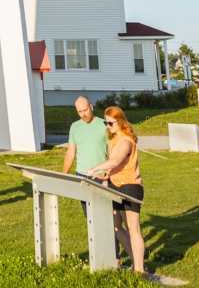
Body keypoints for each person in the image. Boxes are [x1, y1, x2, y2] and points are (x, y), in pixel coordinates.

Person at [83, 106, 146, 274]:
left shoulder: (126, 140)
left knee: (133, 229)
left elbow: (117, 161)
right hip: (115, 187)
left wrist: (95, 168)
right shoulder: (114, 140)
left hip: (129, 187)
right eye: (106, 123)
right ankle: (137, 262)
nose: (108, 126)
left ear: (120, 121)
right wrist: (103, 177)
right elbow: (112, 167)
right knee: (116, 227)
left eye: (111, 123)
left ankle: (139, 269)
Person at [62, 96, 120, 263]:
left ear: (92, 107)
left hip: (100, 177)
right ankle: (99, 255)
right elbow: (70, 153)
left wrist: (106, 175)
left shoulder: (104, 125)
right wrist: (64, 174)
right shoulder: (75, 127)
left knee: (107, 218)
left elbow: (113, 153)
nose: (83, 114)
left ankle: (114, 257)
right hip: (82, 176)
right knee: (91, 219)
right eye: (79, 112)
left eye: (85, 110)